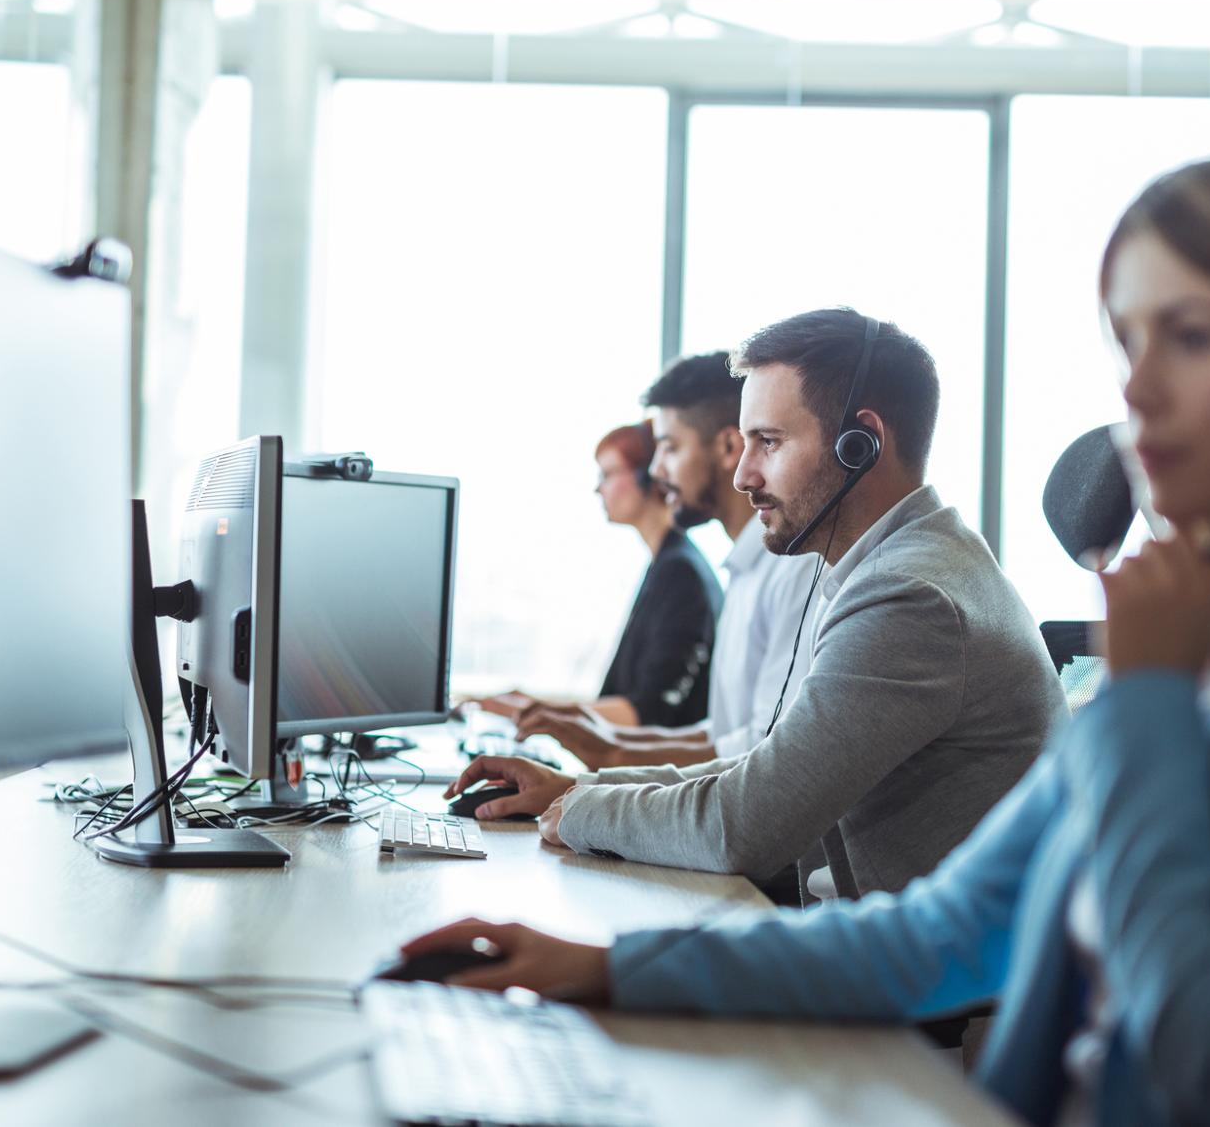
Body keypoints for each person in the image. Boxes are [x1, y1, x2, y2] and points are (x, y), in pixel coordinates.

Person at [403, 153, 1210, 1127]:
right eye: (1126, 342)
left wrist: (1147, 700)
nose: (1135, 392)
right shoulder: (1207, 645)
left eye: (1191, 338)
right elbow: (940, 934)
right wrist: (604, 968)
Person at [445, 311, 1067, 906]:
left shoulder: (909, 598)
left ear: (863, 444)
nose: (743, 475)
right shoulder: (915, 563)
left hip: (928, 1000)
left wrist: (578, 812)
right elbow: (766, 772)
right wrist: (581, 787)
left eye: (768, 442)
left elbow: (743, 826)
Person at [511, 352, 820, 770]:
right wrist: (599, 737)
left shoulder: (792, 569)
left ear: (728, 446)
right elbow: (722, 735)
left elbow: (761, 754)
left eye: (670, 448)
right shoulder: (743, 570)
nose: (656, 471)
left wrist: (601, 768)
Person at [474, 422, 721, 729]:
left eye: (607, 474)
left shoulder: (680, 574)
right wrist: (531, 704)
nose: (597, 488)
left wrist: (534, 711)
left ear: (649, 476)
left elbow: (647, 712)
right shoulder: (665, 564)